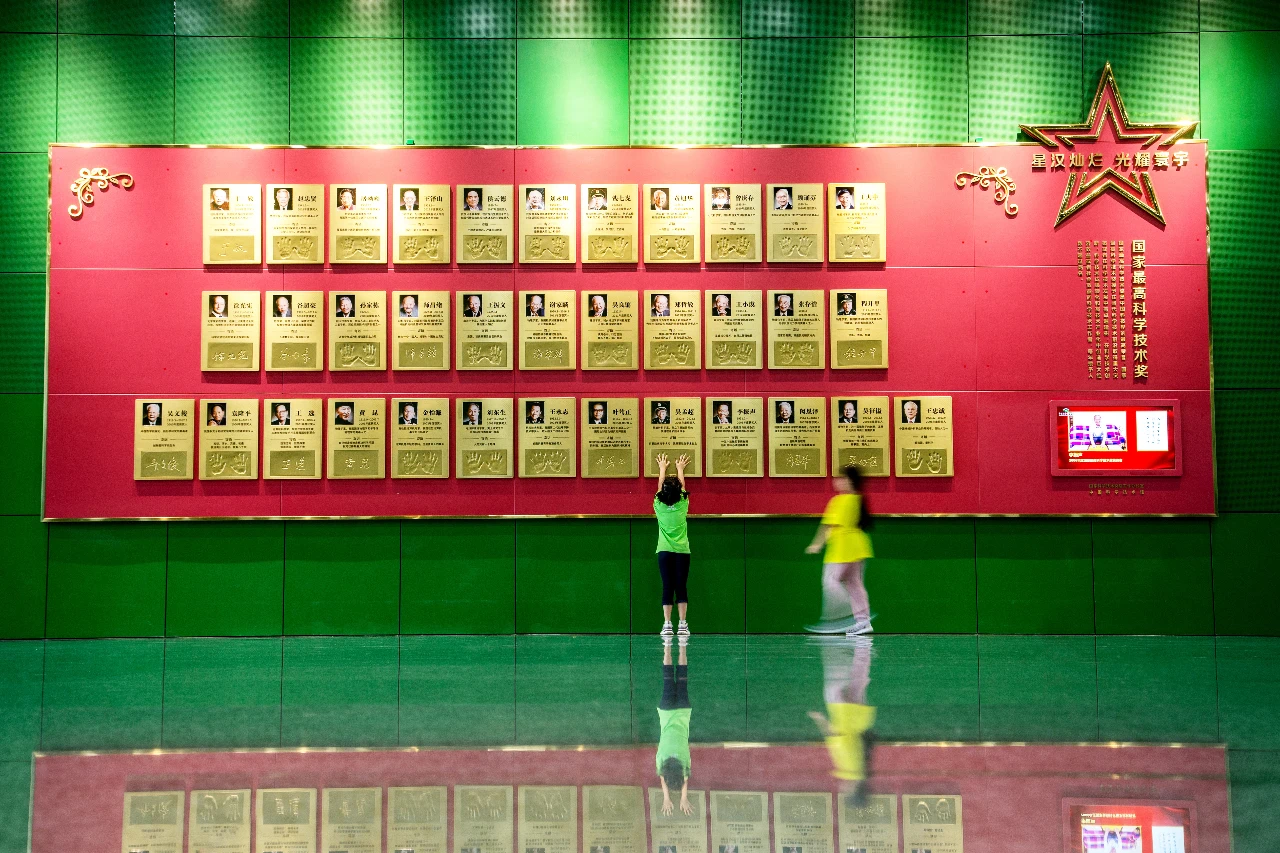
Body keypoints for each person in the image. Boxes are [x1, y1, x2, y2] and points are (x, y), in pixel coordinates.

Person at [805, 465, 875, 636]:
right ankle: (863, 621)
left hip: (842, 548)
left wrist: (817, 544)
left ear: (849, 481)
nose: (837, 481)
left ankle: (844, 616)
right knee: (854, 584)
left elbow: (828, 525)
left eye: (841, 478)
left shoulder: (839, 501)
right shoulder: (859, 499)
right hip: (858, 547)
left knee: (830, 582)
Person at [808, 636, 875, 808]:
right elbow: (837, 739)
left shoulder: (863, 770)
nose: (842, 789)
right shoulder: (848, 768)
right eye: (845, 792)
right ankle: (835, 641)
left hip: (859, 717)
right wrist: (820, 720)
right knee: (835, 678)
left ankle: (863, 643)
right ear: (853, 790)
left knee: (859, 676)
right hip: (844, 715)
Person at [654, 453, 691, 638]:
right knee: (681, 586)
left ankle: (667, 624)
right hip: (682, 551)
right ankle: (682, 624)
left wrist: (662, 468)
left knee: (667, 586)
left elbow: (660, 489)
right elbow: (682, 488)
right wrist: (680, 469)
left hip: (664, 551)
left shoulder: (659, 505)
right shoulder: (683, 504)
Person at [655, 638, 693, 819]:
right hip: (666, 711)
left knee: (683, 676)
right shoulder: (661, 760)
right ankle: (667, 644)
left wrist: (683, 798)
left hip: (683, 710)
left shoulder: (685, 761)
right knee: (667, 677)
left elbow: (685, 779)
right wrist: (666, 798)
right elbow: (663, 778)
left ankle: (683, 644)